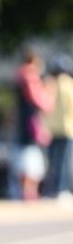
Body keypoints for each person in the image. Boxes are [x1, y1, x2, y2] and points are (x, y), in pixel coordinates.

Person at [15, 49, 53, 200]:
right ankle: (30, 192)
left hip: (24, 122)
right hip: (31, 123)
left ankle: (26, 191)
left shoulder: (19, 75)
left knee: (25, 156)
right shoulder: (30, 76)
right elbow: (39, 100)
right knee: (32, 158)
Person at [43, 55, 73, 200]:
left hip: (52, 129)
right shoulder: (68, 84)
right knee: (64, 162)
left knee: (53, 162)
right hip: (67, 128)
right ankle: (62, 189)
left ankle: (51, 190)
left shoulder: (50, 84)